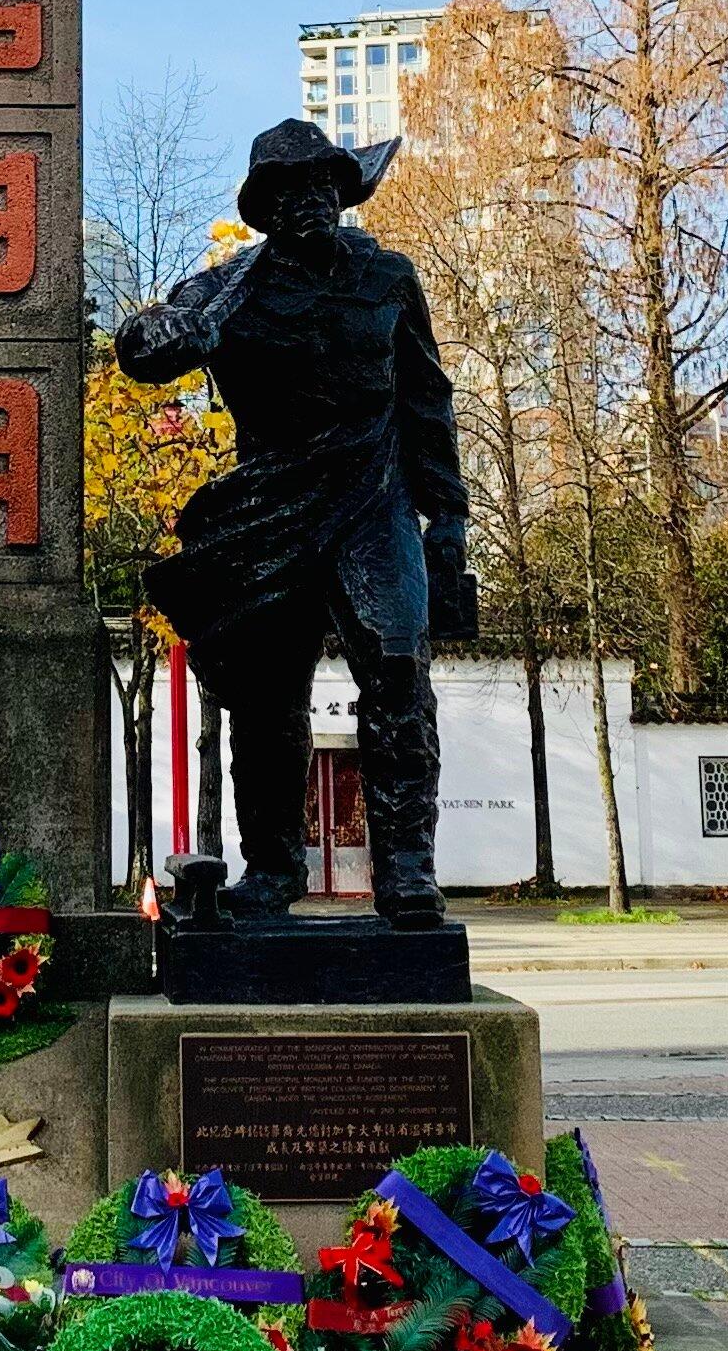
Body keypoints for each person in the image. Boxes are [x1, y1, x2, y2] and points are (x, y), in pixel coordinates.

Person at [116, 117, 474, 933]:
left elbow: (427, 398)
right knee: (267, 700)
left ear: (343, 194)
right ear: (265, 207)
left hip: (373, 498)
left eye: (322, 185)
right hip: (272, 507)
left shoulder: (388, 276)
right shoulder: (229, 287)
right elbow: (141, 348)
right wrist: (165, 335)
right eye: (290, 190)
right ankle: (272, 867)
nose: (309, 201)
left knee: (395, 670)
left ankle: (409, 870)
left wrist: (447, 514)